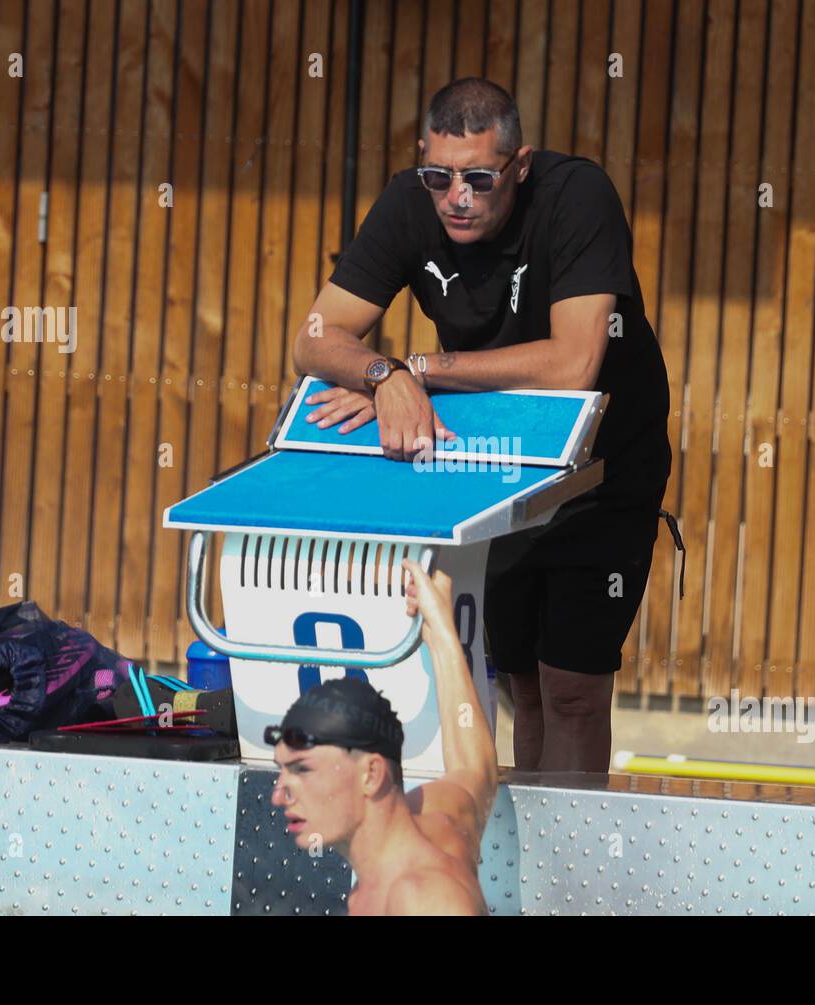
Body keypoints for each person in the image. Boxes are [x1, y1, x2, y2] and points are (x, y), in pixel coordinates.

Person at [291, 77, 671, 773]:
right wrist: (382, 376)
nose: (456, 198)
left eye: (479, 178)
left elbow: (573, 363)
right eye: (439, 176)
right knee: (521, 684)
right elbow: (316, 337)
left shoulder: (577, 198)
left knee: (575, 691)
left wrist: (421, 367)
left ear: (519, 166)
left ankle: (572, 874)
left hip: (603, 466)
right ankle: (529, 871)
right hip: (495, 465)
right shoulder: (412, 202)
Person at [268, 559, 498, 916]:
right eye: (283, 770)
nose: (278, 795)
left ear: (372, 774)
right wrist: (440, 633)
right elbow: (474, 772)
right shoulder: (438, 825)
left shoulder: (426, 899)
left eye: (304, 771)